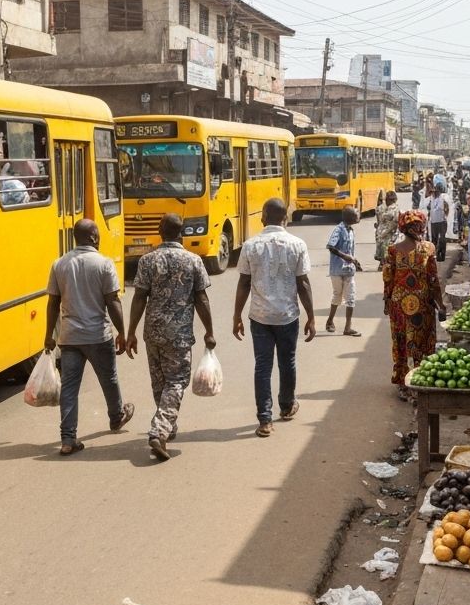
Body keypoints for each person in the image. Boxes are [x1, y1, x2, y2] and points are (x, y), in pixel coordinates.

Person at [126, 213, 215, 462]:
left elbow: (139, 298)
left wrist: (131, 331)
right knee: (176, 382)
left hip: (152, 332)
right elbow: (202, 299)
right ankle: (160, 430)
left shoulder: (147, 260)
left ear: (159, 230)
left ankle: (167, 425)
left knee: (160, 382)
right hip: (179, 334)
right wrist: (209, 330)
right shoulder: (193, 260)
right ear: (182, 233)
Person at [44, 218, 134, 455]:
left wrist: (48, 336)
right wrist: (123, 332)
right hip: (97, 335)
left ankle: (67, 438)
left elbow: (52, 303)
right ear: (94, 237)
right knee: (109, 378)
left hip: (70, 337)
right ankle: (116, 417)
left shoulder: (59, 264)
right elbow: (112, 301)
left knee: (70, 388)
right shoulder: (103, 264)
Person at [233, 197, 315, 438]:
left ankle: (265, 420)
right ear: (285, 218)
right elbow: (303, 283)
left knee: (263, 366)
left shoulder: (250, 245)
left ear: (263, 217)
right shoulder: (297, 244)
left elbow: (244, 283)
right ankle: (287, 405)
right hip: (287, 315)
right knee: (287, 362)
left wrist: (236, 315)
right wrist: (311, 316)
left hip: (259, 316)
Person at [382, 210, 446, 402]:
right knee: (421, 343)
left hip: (400, 304)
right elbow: (433, 280)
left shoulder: (393, 250)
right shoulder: (428, 248)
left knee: (402, 343)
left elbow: (387, 279)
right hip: (422, 305)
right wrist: (441, 305)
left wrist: (387, 301)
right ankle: (420, 380)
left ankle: (404, 383)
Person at [326, 205, 363, 335]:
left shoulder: (351, 231)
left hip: (349, 270)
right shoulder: (339, 229)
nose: (359, 216)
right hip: (337, 270)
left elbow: (350, 251)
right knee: (337, 296)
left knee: (351, 298)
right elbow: (330, 246)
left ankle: (347, 327)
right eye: (356, 214)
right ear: (350, 217)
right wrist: (344, 256)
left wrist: (355, 261)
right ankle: (330, 321)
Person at [374, 190, 400, 269]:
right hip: (384, 232)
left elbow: (395, 222)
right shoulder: (382, 208)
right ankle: (383, 264)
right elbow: (378, 220)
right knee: (383, 249)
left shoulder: (394, 209)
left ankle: (383, 264)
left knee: (385, 249)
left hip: (386, 233)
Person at [426, 183, 449, 261]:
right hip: (433, 222)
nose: (435, 193)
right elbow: (429, 208)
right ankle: (434, 254)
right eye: (434, 192)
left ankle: (442, 255)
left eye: (436, 192)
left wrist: (445, 215)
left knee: (442, 238)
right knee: (434, 239)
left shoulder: (443, 198)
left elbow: (447, 208)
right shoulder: (431, 199)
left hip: (442, 221)